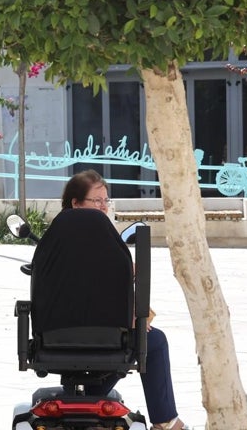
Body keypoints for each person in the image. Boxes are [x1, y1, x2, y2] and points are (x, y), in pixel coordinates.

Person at [58, 169, 189, 430]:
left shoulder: (54, 239)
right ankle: (165, 421)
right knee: (154, 341)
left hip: (54, 335)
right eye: (97, 201)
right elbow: (101, 288)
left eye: (106, 200)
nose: (104, 206)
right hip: (102, 332)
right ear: (76, 203)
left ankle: (85, 396)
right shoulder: (101, 237)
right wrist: (131, 316)